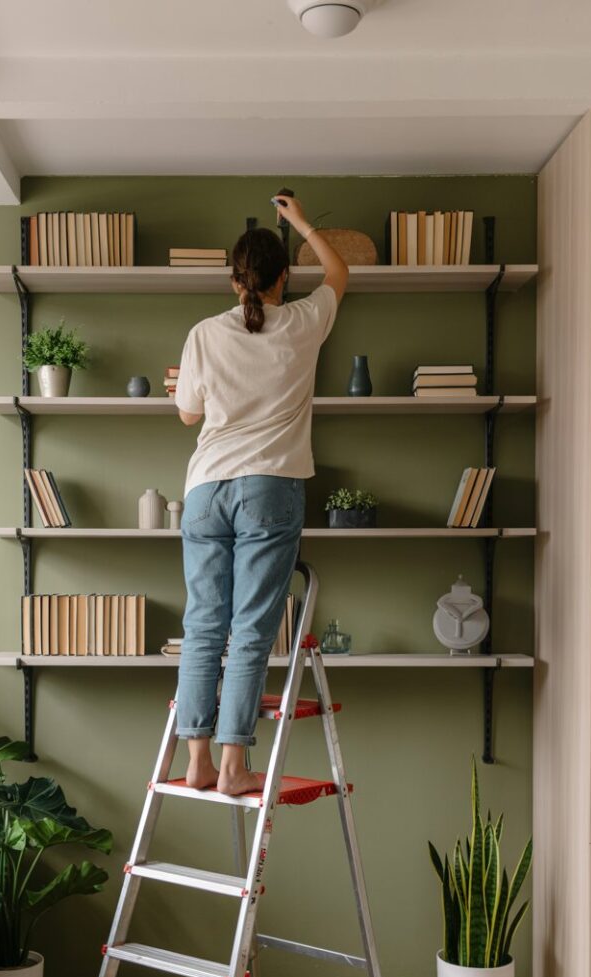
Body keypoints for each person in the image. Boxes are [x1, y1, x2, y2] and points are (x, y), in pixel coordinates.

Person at [174, 195, 348, 795]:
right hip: (269, 487)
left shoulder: (202, 334)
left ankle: (195, 762)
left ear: (233, 281)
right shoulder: (303, 322)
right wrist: (301, 221)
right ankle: (232, 769)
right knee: (250, 629)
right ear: (283, 280)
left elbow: (187, 414)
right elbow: (339, 273)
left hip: (205, 489)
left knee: (203, 626)